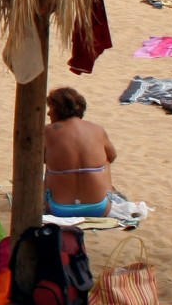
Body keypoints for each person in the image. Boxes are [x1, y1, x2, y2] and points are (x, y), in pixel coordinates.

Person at [42, 86, 121, 217]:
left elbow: (41, 159)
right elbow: (112, 157)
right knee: (105, 160)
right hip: (99, 208)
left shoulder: (47, 131)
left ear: (59, 108)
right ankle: (104, 191)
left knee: (51, 165)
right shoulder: (97, 129)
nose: (49, 113)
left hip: (58, 209)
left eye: (51, 108)